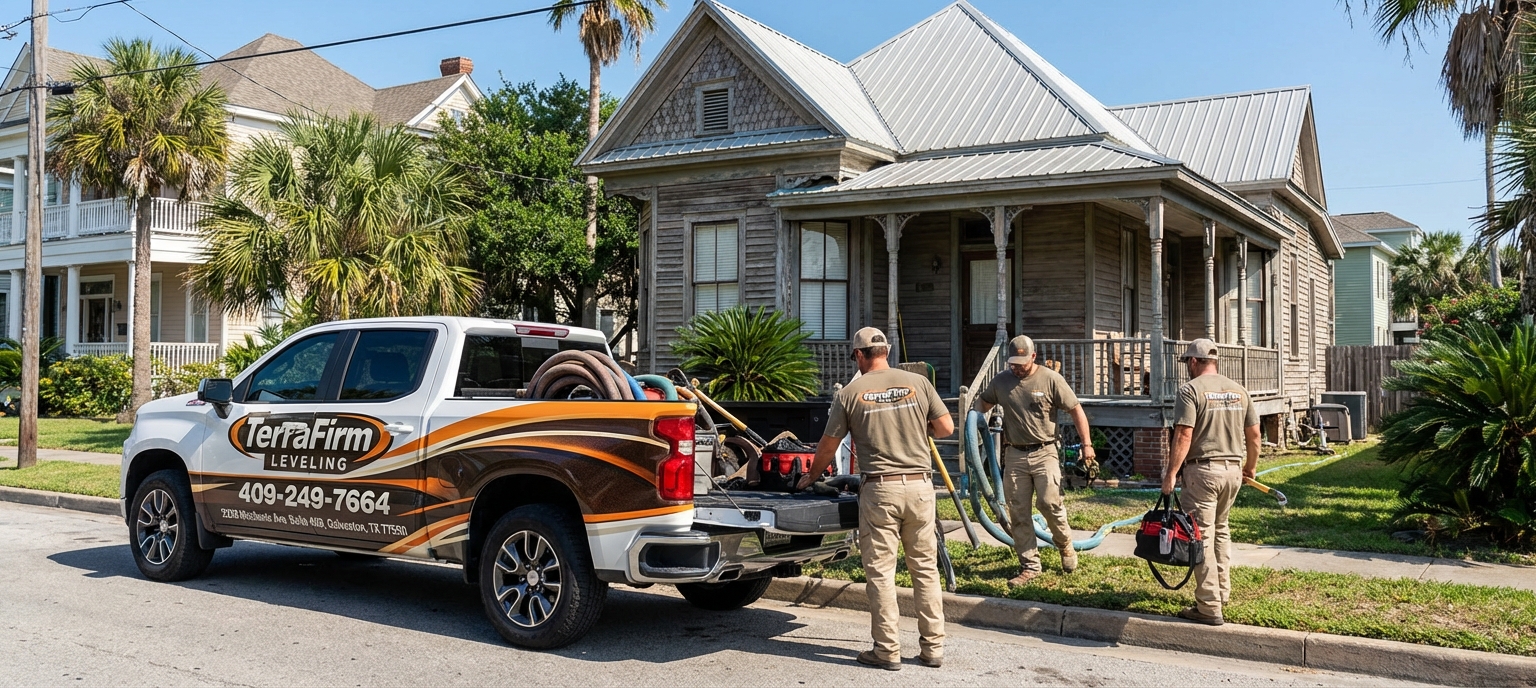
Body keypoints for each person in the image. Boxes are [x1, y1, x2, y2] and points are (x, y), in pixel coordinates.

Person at [799, 326, 954, 671]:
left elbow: (829, 444)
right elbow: (945, 428)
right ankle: (932, 649)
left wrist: (810, 477)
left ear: (858, 355)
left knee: (882, 573)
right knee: (925, 569)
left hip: (880, 490)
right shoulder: (918, 384)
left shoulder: (851, 393)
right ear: (886, 351)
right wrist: (917, 428)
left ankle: (887, 651)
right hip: (920, 487)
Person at [976, 335, 1094, 586]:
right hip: (1015, 454)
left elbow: (1076, 410)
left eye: (1021, 362)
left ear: (1033, 356)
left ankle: (1065, 547)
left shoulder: (1051, 379)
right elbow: (983, 403)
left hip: (1045, 451)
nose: (1016, 367)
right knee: (1018, 512)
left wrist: (1087, 445)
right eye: (1013, 363)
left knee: (1050, 504)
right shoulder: (1001, 382)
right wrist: (972, 421)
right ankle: (1030, 566)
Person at [1160, 338, 1260, 626]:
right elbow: (1254, 436)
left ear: (1193, 362)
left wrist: (1170, 474)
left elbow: (1183, 435)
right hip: (1232, 471)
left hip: (1203, 472)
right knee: (1221, 530)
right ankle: (1222, 592)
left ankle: (1208, 605)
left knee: (1199, 535)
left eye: (1187, 364)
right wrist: (1249, 468)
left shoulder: (1190, 391)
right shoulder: (1239, 390)